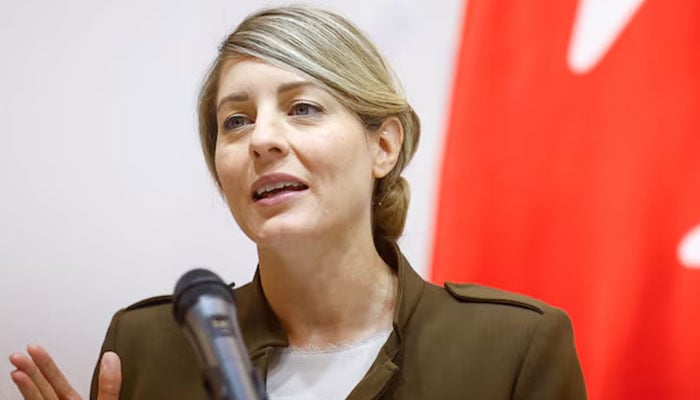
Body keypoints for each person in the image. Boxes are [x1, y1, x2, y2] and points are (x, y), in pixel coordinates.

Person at [9, 5, 587, 399]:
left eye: (302, 107)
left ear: (383, 146)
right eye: (235, 121)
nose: (261, 139)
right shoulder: (147, 346)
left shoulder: (512, 349)